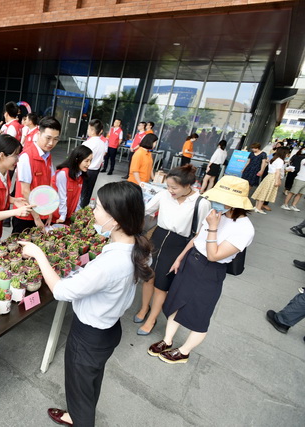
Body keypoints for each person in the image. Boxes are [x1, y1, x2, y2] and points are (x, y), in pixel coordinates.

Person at [20, 181, 153, 426]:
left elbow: (61, 291)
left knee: (80, 388)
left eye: (98, 207)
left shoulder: (111, 264)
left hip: (89, 337)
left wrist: (38, 254)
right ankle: (76, 414)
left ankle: (79, 419)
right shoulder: (136, 247)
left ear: (115, 219)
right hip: (108, 329)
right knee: (88, 383)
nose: (93, 211)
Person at [149, 175, 255, 364]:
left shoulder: (244, 228)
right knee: (175, 301)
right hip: (191, 260)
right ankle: (167, 339)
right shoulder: (217, 213)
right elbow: (197, 238)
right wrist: (180, 258)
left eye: (222, 200)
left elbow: (214, 255)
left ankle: (184, 351)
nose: (216, 202)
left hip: (210, 269)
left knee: (199, 312)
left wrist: (213, 227)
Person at [135, 165, 211, 336]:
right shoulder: (164, 195)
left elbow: (199, 233)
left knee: (161, 286)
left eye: (174, 188)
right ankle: (144, 308)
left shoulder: (201, 203)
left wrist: (181, 257)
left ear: (188, 185)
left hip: (178, 245)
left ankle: (151, 319)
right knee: (148, 278)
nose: (170, 190)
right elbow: (145, 210)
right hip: (157, 238)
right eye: (168, 186)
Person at [12, 116, 61, 234]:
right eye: (48, 138)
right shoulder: (26, 157)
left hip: (41, 211)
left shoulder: (48, 155)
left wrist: (49, 211)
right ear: (39, 134)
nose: (51, 143)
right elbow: (25, 191)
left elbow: (49, 185)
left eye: (55, 139)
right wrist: (37, 218)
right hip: (26, 215)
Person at [52, 145, 93, 223]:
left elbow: (78, 197)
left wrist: (78, 212)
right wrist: (63, 215)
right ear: (77, 160)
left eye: (90, 160)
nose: (89, 164)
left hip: (69, 214)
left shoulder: (80, 175)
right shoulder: (63, 174)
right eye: (86, 161)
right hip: (58, 216)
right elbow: (61, 196)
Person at [251, 146, 289, 214]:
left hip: (268, 176)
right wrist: (277, 181)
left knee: (262, 191)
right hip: (273, 177)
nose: (287, 155)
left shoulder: (274, 159)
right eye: (287, 153)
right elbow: (277, 172)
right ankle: (259, 208)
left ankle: (256, 206)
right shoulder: (280, 161)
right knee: (265, 193)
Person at [80, 119, 107, 208]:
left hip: (86, 169)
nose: (87, 131)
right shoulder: (102, 143)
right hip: (95, 170)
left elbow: (81, 158)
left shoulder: (87, 143)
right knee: (89, 191)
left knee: (81, 192)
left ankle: (79, 209)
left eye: (88, 129)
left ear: (92, 130)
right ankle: (85, 209)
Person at [281, 147, 305, 211]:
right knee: (292, 192)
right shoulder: (303, 160)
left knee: (300, 194)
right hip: (300, 178)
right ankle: (285, 204)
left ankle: (293, 205)